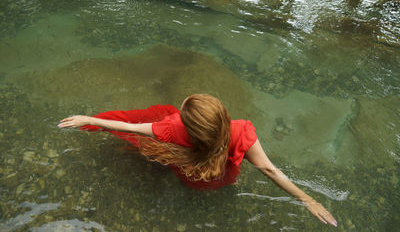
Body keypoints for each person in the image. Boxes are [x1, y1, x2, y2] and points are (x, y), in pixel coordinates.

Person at [58, 94, 337, 227]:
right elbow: (269, 170)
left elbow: (129, 127)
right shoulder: (241, 132)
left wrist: (89, 119)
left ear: (187, 125)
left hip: (191, 174)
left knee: (152, 121)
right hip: (221, 177)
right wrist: (308, 200)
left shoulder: (171, 128)